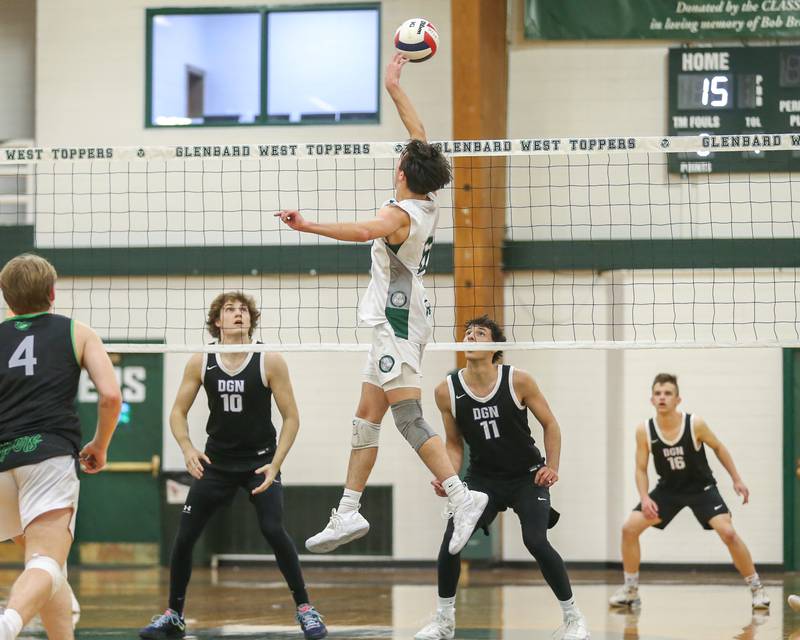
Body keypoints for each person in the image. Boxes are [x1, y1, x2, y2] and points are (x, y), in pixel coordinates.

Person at [276, 53, 487, 556]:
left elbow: (360, 231)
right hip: (399, 311)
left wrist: (307, 225)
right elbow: (420, 135)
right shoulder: (427, 198)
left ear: (400, 171)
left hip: (397, 315)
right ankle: (348, 511)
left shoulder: (397, 214)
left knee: (407, 416)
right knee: (365, 416)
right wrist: (394, 87)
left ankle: (461, 497)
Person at [139, 292, 326, 640]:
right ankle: (174, 615)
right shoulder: (201, 360)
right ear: (217, 321)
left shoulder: (269, 360)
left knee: (273, 529)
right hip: (218, 464)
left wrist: (275, 464)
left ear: (251, 320)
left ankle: (305, 609)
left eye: (243, 310)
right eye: (230, 310)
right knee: (184, 536)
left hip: (259, 463)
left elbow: (292, 418)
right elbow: (177, 412)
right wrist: (187, 448)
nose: (238, 314)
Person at [414, 316, 589, 640]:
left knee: (535, 541)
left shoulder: (518, 380)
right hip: (482, 479)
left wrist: (552, 466)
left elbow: (551, 424)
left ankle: (573, 619)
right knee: (453, 542)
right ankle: (444, 621)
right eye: (467, 332)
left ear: (495, 347)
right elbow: (454, 444)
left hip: (526, 477)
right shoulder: (446, 390)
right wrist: (447, 476)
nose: (470, 336)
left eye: (479, 333)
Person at [0, 253, 121, 640]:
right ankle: (8, 623)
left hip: (2, 461)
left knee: (51, 566)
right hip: (48, 455)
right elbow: (110, 396)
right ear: (53, 293)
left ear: (7, 300)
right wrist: (100, 445)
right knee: (45, 561)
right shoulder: (77, 332)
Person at [609, 373, 769, 610]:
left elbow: (718, 448)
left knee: (728, 533)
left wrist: (737, 479)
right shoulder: (645, 430)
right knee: (629, 529)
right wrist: (644, 498)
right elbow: (640, 469)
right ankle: (631, 591)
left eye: (668, 393)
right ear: (652, 399)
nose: (662, 397)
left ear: (678, 399)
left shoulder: (695, 423)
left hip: (701, 489)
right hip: (669, 490)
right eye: (658, 393)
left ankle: (757, 588)